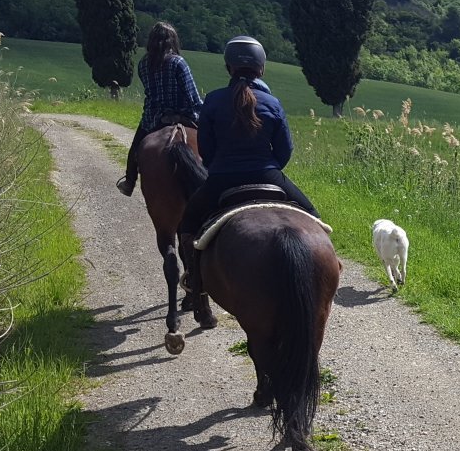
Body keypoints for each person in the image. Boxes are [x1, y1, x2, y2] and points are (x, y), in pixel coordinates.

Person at [177, 36, 322, 288]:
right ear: (261, 69)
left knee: (187, 224)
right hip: (268, 175)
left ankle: (194, 279)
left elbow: (207, 150)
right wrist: (269, 168)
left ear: (228, 67)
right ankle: (329, 268)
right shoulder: (273, 103)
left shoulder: (212, 100)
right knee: (313, 216)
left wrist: (219, 168)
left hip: (222, 179)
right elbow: (285, 150)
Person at [116, 21, 203, 196]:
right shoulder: (179, 63)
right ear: (172, 41)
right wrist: (203, 111)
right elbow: (192, 96)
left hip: (153, 118)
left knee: (135, 148)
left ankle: (129, 181)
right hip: (183, 116)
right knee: (212, 143)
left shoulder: (143, 64)